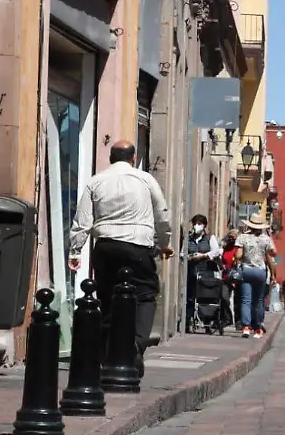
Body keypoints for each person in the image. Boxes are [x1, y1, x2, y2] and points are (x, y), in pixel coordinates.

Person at [69, 141, 172, 376]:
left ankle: (108, 352)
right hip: (137, 246)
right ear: (133, 158)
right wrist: (165, 244)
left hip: (105, 247)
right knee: (145, 295)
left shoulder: (96, 181)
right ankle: (135, 342)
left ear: (110, 158)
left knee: (107, 297)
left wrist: (75, 251)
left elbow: (83, 219)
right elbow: (162, 215)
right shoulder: (145, 179)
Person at [235, 212, 278, 338]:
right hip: (260, 271)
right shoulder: (265, 239)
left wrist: (243, 254)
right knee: (259, 301)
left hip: (246, 270)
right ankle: (258, 328)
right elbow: (274, 253)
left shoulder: (243, 237)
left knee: (245, 300)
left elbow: (238, 255)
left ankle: (246, 327)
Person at [185, 215, 221, 333]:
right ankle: (189, 321)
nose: (197, 226)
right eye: (195, 223)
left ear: (204, 226)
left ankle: (207, 322)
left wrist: (204, 255)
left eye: (200, 223)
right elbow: (182, 253)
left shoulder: (210, 238)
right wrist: (188, 257)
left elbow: (216, 251)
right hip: (191, 271)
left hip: (206, 271)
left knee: (206, 297)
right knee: (190, 297)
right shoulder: (188, 239)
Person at [221, 229, 241, 327]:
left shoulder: (239, 249)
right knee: (224, 297)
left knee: (238, 300)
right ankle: (227, 318)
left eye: (233, 237)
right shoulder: (226, 248)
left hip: (237, 277)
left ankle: (238, 321)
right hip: (226, 277)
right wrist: (222, 265)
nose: (231, 239)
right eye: (230, 236)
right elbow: (222, 260)